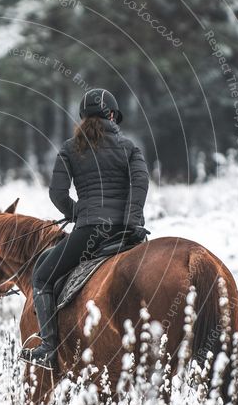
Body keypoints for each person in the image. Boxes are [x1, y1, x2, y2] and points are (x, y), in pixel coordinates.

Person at [20, 88, 149, 370]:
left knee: (42, 275)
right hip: (126, 233)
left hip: (89, 232)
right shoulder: (129, 148)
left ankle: (48, 349)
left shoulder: (69, 149)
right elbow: (140, 185)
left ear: (82, 118)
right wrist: (132, 221)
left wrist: (76, 211)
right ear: (113, 115)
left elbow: (57, 193)